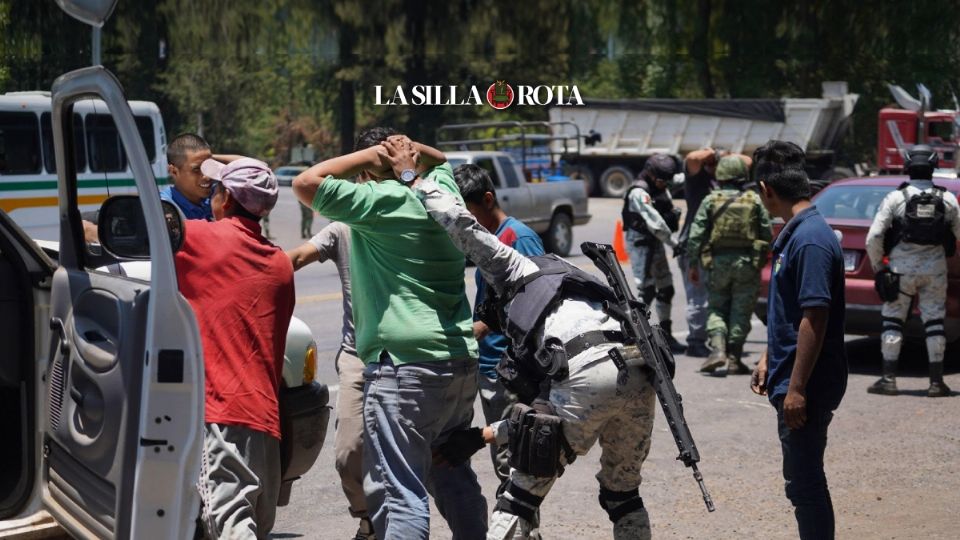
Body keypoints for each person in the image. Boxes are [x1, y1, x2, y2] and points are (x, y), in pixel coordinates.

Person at [394, 143, 658, 540]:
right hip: (640, 369)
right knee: (623, 494)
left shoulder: (515, 263)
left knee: (519, 498)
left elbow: (459, 223)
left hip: (587, 370)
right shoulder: (568, 273)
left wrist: (411, 178)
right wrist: (487, 435)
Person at [291, 129, 486, 540]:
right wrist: (406, 152)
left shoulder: (379, 205)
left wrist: (372, 154)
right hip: (458, 362)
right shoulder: (445, 196)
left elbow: (305, 182)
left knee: (400, 494)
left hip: (404, 369)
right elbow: (443, 159)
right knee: (453, 475)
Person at [174, 157, 293, 539]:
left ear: (225, 199)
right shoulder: (279, 263)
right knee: (253, 528)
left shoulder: (201, 240)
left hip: (224, 415)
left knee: (229, 526)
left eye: (216, 187)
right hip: (267, 420)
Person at [750, 140, 848, 540]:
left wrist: (796, 389)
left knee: (805, 485)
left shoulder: (809, 239)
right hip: (791, 374)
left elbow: (815, 317)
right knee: (802, 482)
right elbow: (790, 309)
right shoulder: (797, 233)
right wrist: (767, 356)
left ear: (765, 190)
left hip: (807, 384)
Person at [453, 163, 546, 489]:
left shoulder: (518, 239)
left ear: (488, 199)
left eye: (469, 213)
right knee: (506, 461)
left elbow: (538, 302)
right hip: (492, 365)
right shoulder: (489, 239)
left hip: (512, 369)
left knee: (513, 462)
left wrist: (484, 326)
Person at [287, 222, 373, 539]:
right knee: (349, 453)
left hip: (407, 356)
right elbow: (295, 258)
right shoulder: (342, 230)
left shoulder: (407, 217)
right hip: (358, 357)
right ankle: (369, 522)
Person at [865, 144, 960, 397]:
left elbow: (874, 236)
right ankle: (936, 383)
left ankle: (888, 379)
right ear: (933, 166)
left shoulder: (896, 198)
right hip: (935, 272)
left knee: (893, 321)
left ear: (907, 166)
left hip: (900, 271)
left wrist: (877, 268)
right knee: (935, 323)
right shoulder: (948, 199)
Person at [686, 155, 772, 376]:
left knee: (716, 308)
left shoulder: (710, 200)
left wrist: (693, 264)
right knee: (741, 310)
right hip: (747, 264)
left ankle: (717, 350)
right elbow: (767, 232)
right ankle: (735, 358)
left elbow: (696, 235)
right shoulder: (754, 200)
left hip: (717, 263)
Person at [621, 154, 685, 353]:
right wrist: (674, 243)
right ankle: (633, 336)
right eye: (661, 179)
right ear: (650, 173)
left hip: (656, 243)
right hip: (641, 244)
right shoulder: (639, 193)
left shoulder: (661, 183)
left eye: (666, 179)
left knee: (666, 289)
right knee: (645, 291)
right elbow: (655, 222)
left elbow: (683, 178)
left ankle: (666, 335)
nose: (664, 183)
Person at [161, 133, 215, 220]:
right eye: (196, 169)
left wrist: (208, 157)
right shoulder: (165, 208)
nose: (207, 176)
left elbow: (244, 164)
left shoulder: (215, 197)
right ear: (174, 171)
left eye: (209, 166)